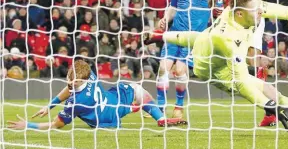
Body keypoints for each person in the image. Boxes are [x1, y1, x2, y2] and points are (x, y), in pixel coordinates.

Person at [148, 0, 288, 130]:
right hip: (215, 71)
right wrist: (272, 107)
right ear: (239, 14)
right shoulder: (229, 39)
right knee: (272, 94)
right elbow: (242, 82)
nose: (261, 12)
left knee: (202, 38)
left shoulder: (248, 8)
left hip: (207, 43)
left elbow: (287, 11)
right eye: (256, 10)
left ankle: (160, 36)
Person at [7, 60, 186, 130]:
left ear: (83, 80)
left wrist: (27, 125)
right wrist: (50, 105)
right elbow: (69, 88)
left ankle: (152, 115)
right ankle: (157, 116)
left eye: (75, 81)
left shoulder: (75, 103)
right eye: (70, 78)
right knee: (138, 90)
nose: (71, 83)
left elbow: (56, 125)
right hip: (114, 105)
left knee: (135, 89)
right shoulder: (89, 74)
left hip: (104, 121)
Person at [155, 0, 212, 119]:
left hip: (193, 37)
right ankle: (160, 107)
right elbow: (173, 8)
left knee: (180, 71)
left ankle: (178, 106)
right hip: (175, 33)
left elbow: (216, 11)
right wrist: (165, 19)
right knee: (163, 68)